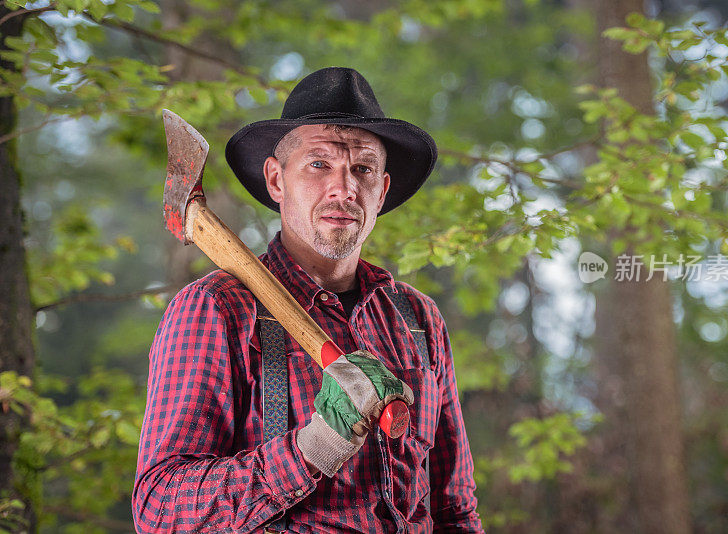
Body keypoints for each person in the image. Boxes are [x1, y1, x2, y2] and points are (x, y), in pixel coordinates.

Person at [133, 67, 483, 533]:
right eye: (319, 164)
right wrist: (311, 449)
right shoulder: (217, 309)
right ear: (276, 181)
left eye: (363, 169)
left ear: (382, 190)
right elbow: (161, 510)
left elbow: (453, 509)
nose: (344, 188)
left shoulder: (416, 317)